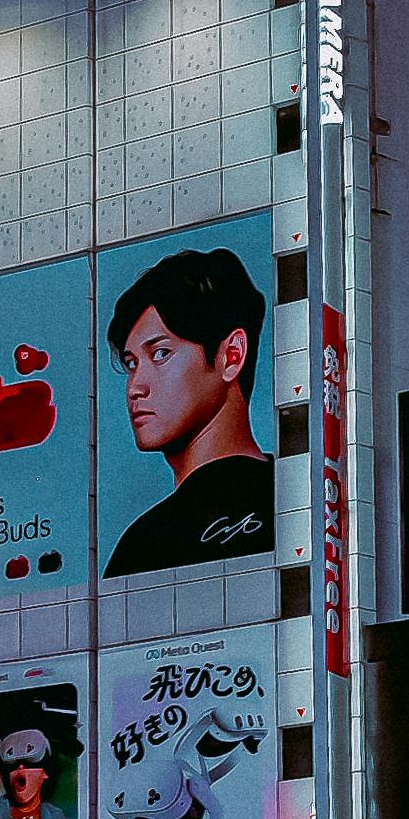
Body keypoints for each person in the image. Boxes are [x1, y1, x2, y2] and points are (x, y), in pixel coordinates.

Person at [101, 244, 273, 576]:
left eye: (161, 354)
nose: (136, 386)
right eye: (131, 363)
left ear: (231, 356)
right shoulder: (300, 494)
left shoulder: (150, 545)